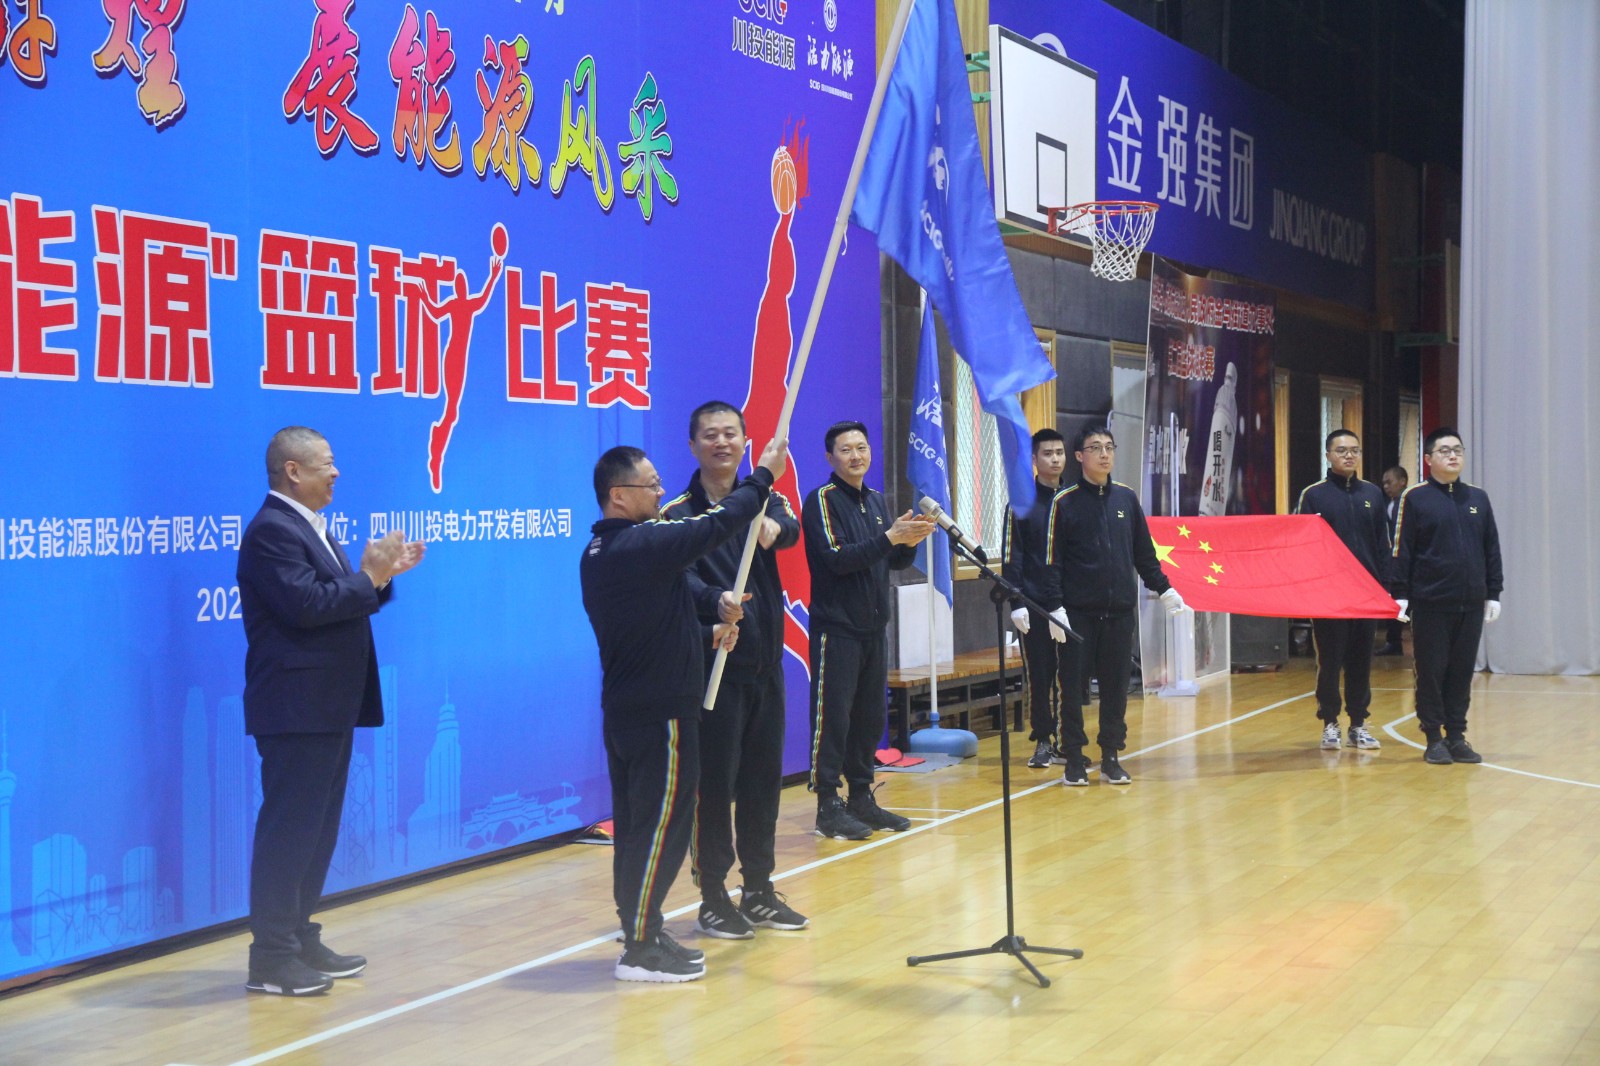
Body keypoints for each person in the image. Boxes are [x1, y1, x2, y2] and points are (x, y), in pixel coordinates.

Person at [581, 432, 788, 983]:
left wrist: (711, 622)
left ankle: (642, 930)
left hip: (631, 709)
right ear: (618, 495)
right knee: (660, 829)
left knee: (638, 828)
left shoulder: (605, 553)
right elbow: (713, 526)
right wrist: (762, 478)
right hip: (661, 714)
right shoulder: (638, 544)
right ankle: (641, 947)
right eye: (650, 486)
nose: (660, 493)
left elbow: (658, 619)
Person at [238, 426, 426, 996]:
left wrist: (380, 580)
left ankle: (299, 937)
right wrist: (369, 577)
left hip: (326, 706)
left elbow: (338, 602)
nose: (337, 472)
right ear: (293, 471)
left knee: (316, 832)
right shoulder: (273, 530)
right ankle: (271, 957)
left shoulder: (308, 526)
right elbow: (306, 606)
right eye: (326, 463)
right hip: (295, 708)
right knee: (290, 832)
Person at [661, 401, 809, 940]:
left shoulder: (763, 497)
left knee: (762, 784)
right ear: (693, 445)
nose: (721, 442)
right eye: (710, 435)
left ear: (746, 443)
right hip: (713, 668)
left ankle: (760, 889)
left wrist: (772, 527)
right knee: (714, 785)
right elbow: (678, 579)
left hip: (764, 666)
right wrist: (715, 600)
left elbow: (791, 527)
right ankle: (713, 896)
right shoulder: (678, 514)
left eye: (730, 434)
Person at [802, 421, 934, 840]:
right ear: (830, 457)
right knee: (833, 718)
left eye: (861, 447)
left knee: (868, 718)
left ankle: (861, 797)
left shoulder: (876, 500)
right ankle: (827, 805)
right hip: (836, 629)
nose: (856, 456)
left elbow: (889, 561)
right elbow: (838, 558)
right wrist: (890, 537)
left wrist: (908, 541)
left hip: (874, 629)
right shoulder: (821, 500)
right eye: (846, 450)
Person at [1038, 426, 1184, 786]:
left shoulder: (1126, 499)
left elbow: (1144, 554)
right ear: (1079, 456)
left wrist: (1165, 589)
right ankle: (1074, 758)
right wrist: (1055, 607)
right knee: (1073, 689)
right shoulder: (1064, 502)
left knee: (1116, 690)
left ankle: (1111, 756)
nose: (1104, 454)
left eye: (1109, 447)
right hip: (1077, 615)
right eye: (1095, 448)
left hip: (1119, 613)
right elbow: (1052, 561)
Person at [1390, 428, 1502, 765]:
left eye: (1457, 450)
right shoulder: (1415, 498)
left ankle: (1456, 735)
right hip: (1431, 603)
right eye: (1444, 450)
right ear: (1428, 459)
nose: (1453, 455)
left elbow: (1491, 548)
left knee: (1461, 672)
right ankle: (1433, 738)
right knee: (1431, 671)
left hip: (1471, 603)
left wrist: (1493, 592)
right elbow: (1402, 548)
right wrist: (1400, 593)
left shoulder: (1478, 498)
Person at [1296, 430, 1390, 751]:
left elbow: (1382, 544)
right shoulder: (1314, 495)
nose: (1349, 455)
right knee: (1330, 660)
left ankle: (1359, 723)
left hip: (1365, 593)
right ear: (1328, 456)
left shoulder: (1373, 494)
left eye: (1354, 450)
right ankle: (1330, 722)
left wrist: (1385, 588)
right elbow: (1302, 545)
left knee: (1361, 660)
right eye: (1341, 450)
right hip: (1328, 595)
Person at [1001, 428, 1068, 769]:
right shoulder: (1021, 503)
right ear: (1034, 460)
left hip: (1073, 603)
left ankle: (1070, 740)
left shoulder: (1074, 498)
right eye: (1047, 453)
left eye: (1059, 452)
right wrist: (1016, 601)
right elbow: (1012, 556)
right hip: (1035, 603)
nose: (1055, 459)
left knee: (1071, 675)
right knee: (1040, 674)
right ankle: (1043, 739)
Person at [1376, 465, 1410, 655]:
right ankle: (1393, 641)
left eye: (1389, 482)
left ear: (1402, 481)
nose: (1386, 487)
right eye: (1384, 484)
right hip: (1391, 559)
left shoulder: (1407, 502)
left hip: (1401, 560)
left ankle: (1395, 641)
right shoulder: (1390, 502)